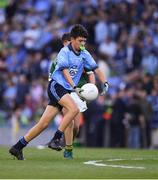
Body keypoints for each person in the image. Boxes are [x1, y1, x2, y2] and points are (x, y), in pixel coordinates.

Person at [9, 24, 109, 160]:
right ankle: (56, 138)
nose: (82, 43)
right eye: (80, 40)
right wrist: (74, 87)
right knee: (73, 109)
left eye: (84, 41)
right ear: (72, 39)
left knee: (43, 124)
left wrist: (105, 83)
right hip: (56, 86)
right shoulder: (64, 52)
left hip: (65, 89)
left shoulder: (84, 53)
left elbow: (96, 69)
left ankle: (17, 147)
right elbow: (65, 71)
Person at [49, 32, 95, 159]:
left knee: (76, 126)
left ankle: (68, 143)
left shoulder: (81, 55)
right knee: (69, 118)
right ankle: (66, 146)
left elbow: (91, 71)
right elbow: (52, 78)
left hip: (79, 92)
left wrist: (92, 88)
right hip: (65, 90)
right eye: (66, 43)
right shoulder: (59, 58)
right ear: (64, 43)